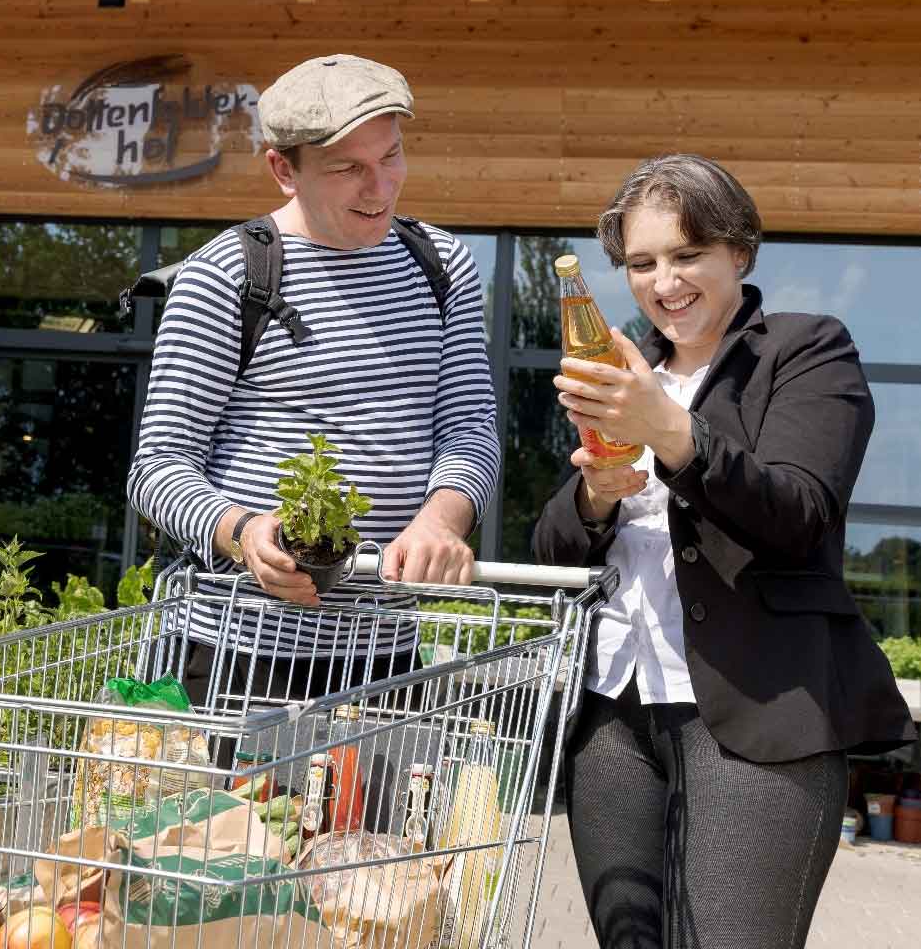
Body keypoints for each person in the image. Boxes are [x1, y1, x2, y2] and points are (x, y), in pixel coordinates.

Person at [532, 153, 915, 949]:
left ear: (739, 250)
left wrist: (670, 432)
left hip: (757, 715)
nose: (662, 282)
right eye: (640, 263)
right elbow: (555, 549)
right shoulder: (624, 372)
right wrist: (597, 493)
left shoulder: (806, 352)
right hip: (613, 714)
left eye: (686, 254)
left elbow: (798, 513)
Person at [127, 53, 499, 710]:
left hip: (385, 649)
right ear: (282, 169)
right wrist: (240, 531)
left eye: (391, 157)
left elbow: (467, 427)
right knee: (243, 820)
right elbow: (158, 467)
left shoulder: (441, 266)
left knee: (377, 818)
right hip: (238, 655)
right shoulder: (229, 276)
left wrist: (441, 519)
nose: (380, 188)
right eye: (348, 169)